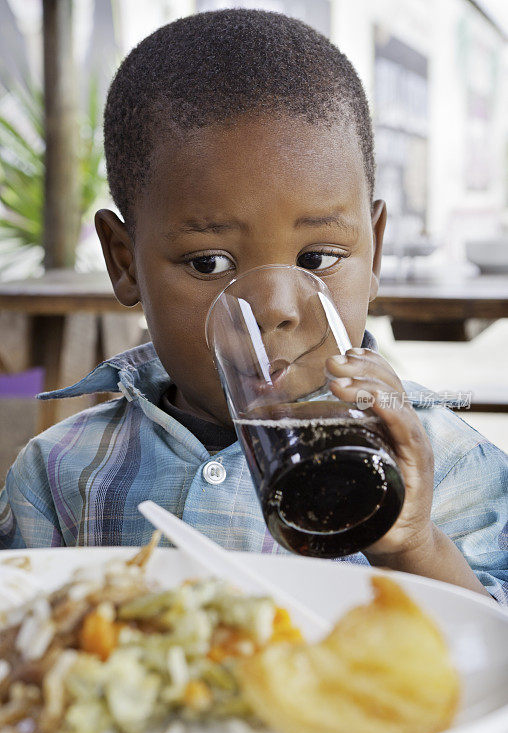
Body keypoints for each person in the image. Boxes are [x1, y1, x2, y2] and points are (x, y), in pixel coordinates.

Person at [0, 10, 506, 602]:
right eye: (209, 263)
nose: (274, 309)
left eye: (319, 258)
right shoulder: (60, 473)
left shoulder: (446, 466)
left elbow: (495, 653)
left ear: (374, 253)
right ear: (124, 262)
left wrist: (415, 543)